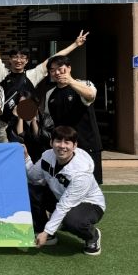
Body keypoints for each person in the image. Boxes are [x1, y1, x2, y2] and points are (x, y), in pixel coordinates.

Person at [0, 17, 88, 140]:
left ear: (27, 61)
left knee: (29, 151)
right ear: (10, 59)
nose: (18, 60)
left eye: (22, 57)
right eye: (15, 57)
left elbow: (53, 58)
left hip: (28, 124)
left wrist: (75, 44)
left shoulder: (33, 75)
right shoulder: (2, 73)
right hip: (5, 125)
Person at [25, 126, 105, 255]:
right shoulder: (47, 156)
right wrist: (26, 158)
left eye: (67, 142)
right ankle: (43, 230)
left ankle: (92, 236)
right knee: (31, 190)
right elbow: (33, 177)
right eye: (58, 141)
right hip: (60, 197)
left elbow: (64, 205)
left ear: (74, 146)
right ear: (51, 142)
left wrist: (47, 231)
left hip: (89, 204)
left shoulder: (81, 173)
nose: (62, 146)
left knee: (71, 221)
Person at [44, 55, 103, 184]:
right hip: (64, 147)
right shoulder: (50, 94)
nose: (57, 72)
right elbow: (49, 122)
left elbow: (91, 95)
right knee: (64, 184)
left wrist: (70, 81)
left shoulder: (84, 84)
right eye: (52, 70)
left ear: (69, 68)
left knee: (89, 185)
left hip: (87, 144)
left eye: (60, 68)